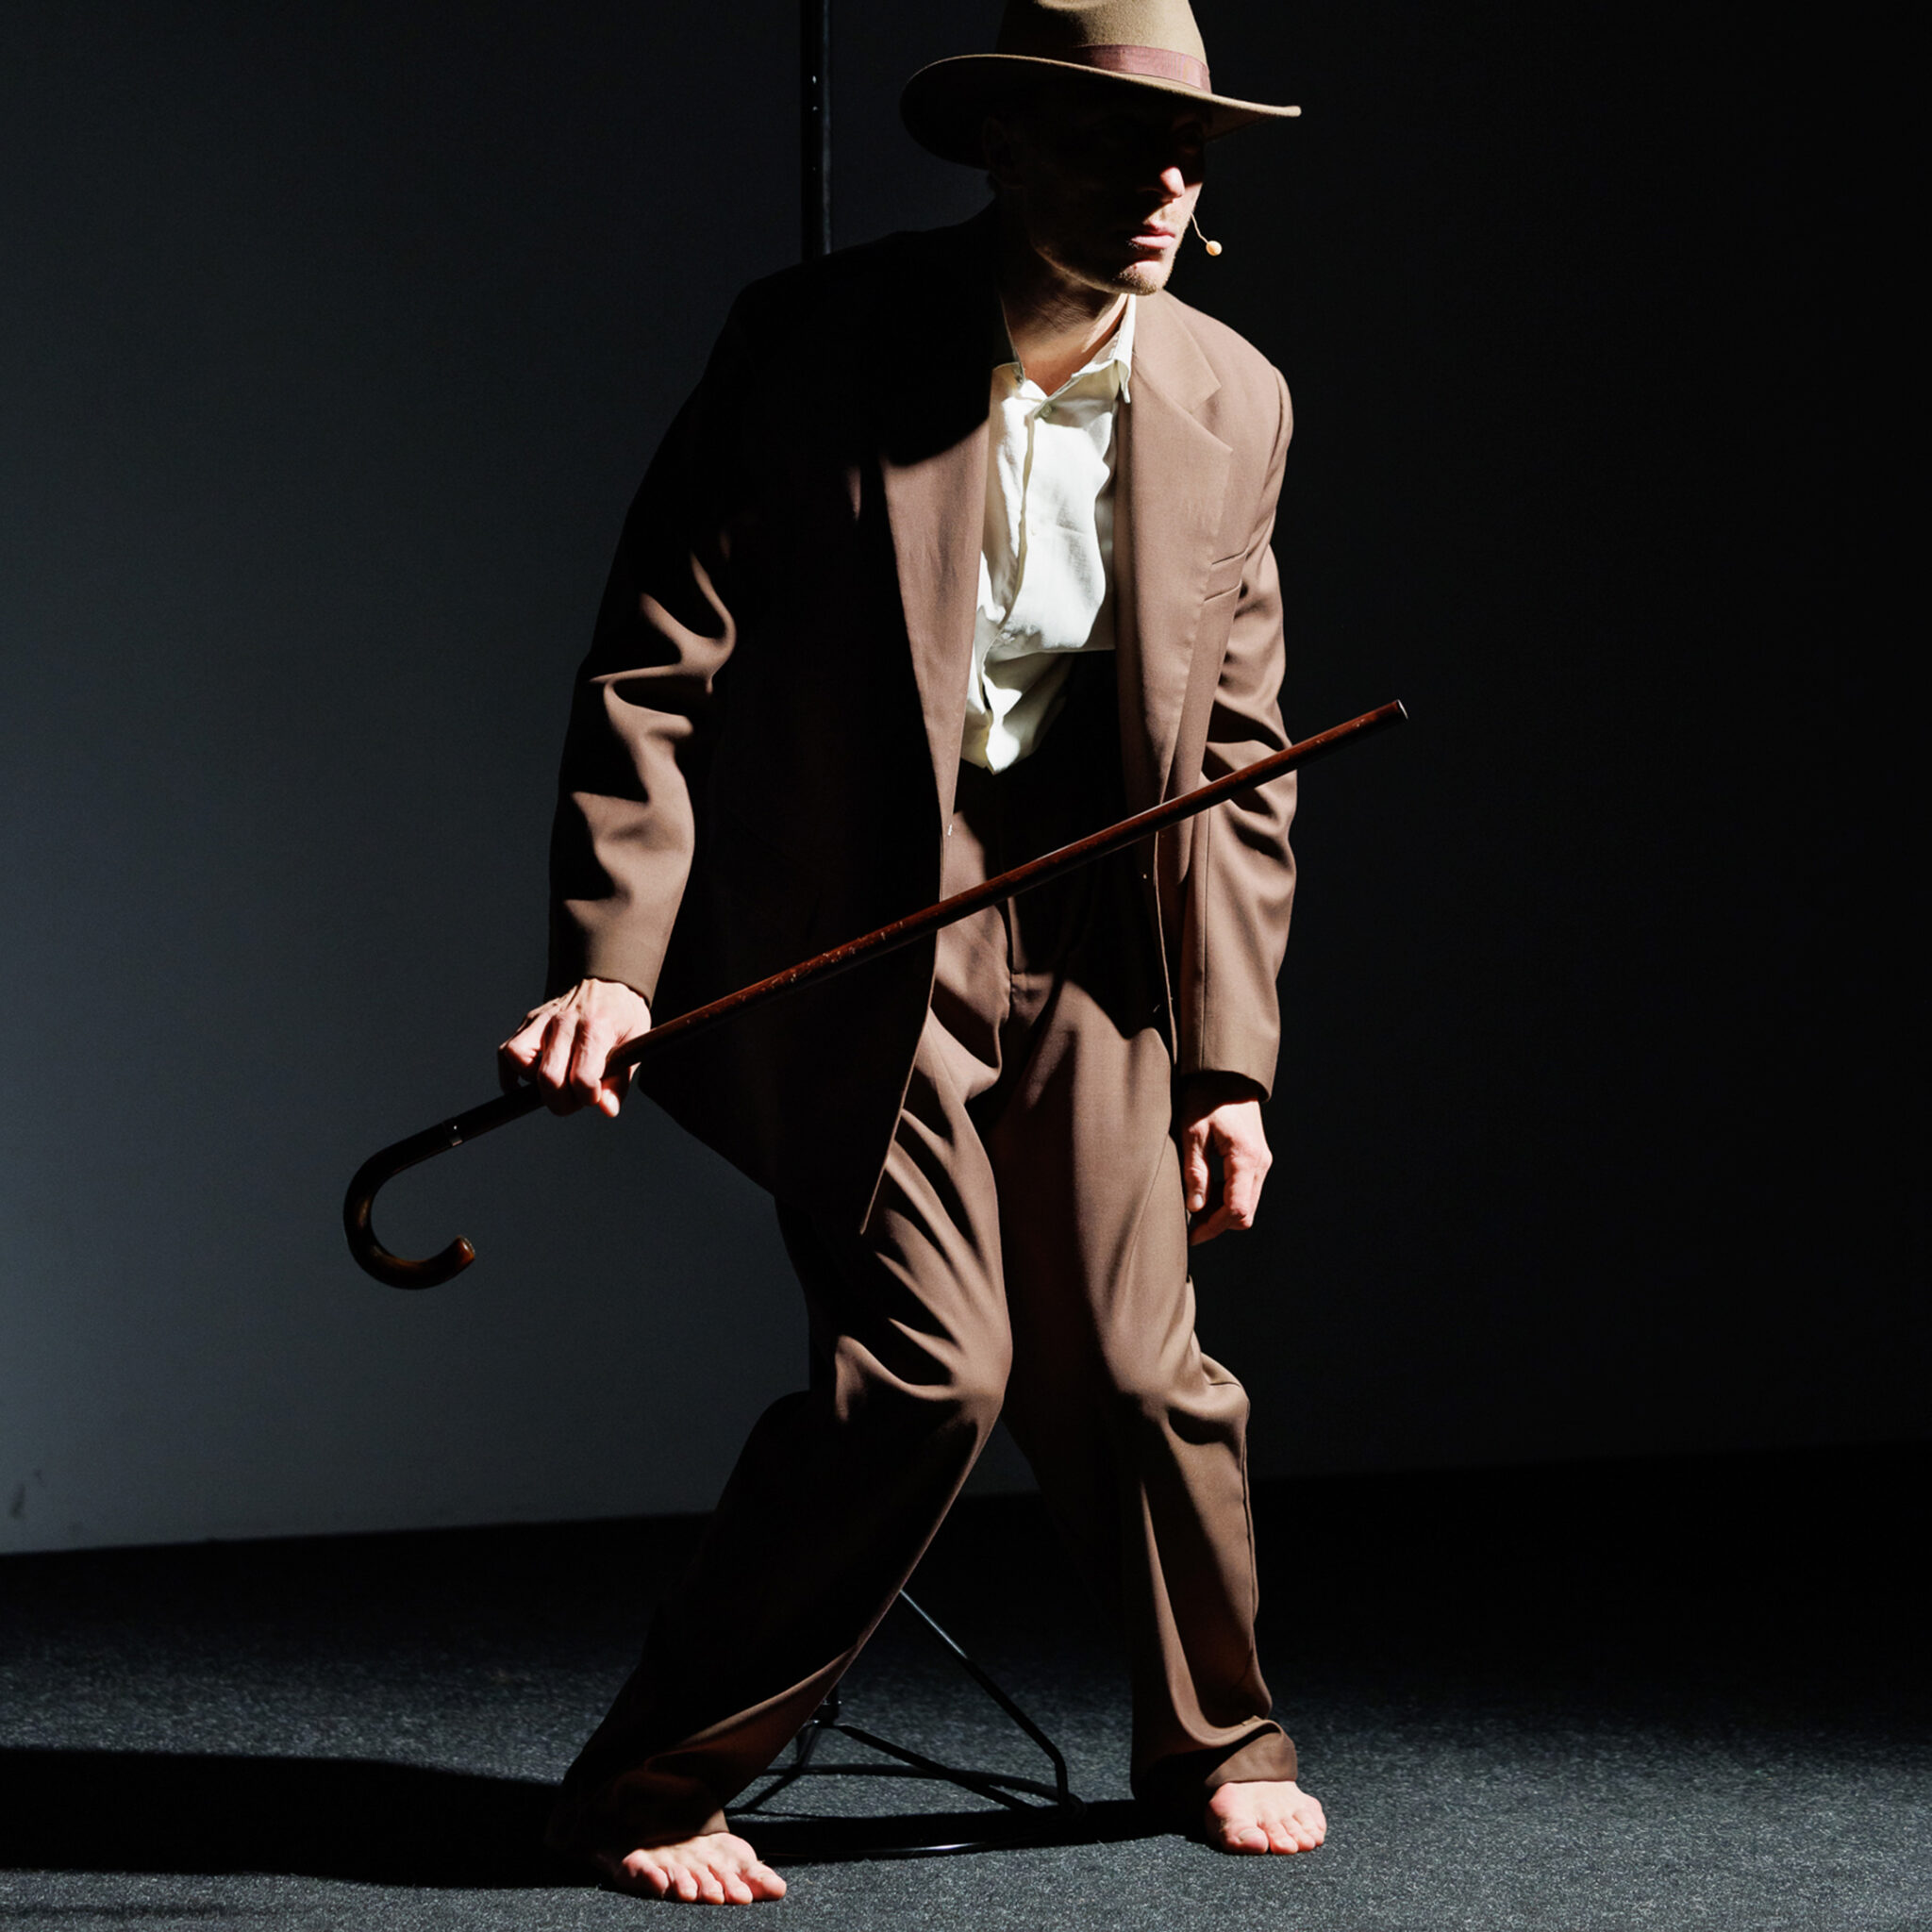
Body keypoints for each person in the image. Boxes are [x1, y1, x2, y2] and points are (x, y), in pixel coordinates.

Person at [499, 0, 1327, 1905]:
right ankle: (646, 1784)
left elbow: (1237, 761)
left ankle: (1220, 1734)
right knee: (930, 1374)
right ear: (1004, 148)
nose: (1163, 187)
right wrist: (614, 960)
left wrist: (1228, 1063)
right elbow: (655, 664)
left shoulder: (1236, 397)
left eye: (1188, 153)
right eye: (1116, 145)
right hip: (865, 924)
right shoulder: (818, 342)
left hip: (1096, 929)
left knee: (1143, 1373)